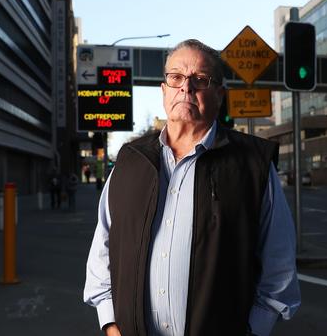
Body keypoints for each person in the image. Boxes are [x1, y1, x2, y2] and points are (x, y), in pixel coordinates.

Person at [84, 39, 300, 336]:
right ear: (164, 90)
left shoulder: (253, 165)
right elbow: (102, 249)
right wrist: (110, 325)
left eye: (200, 79)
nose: (186, 87)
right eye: (176, 77)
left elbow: (280, 261)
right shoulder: (130, 160)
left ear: (219, 94)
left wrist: (255, 330)